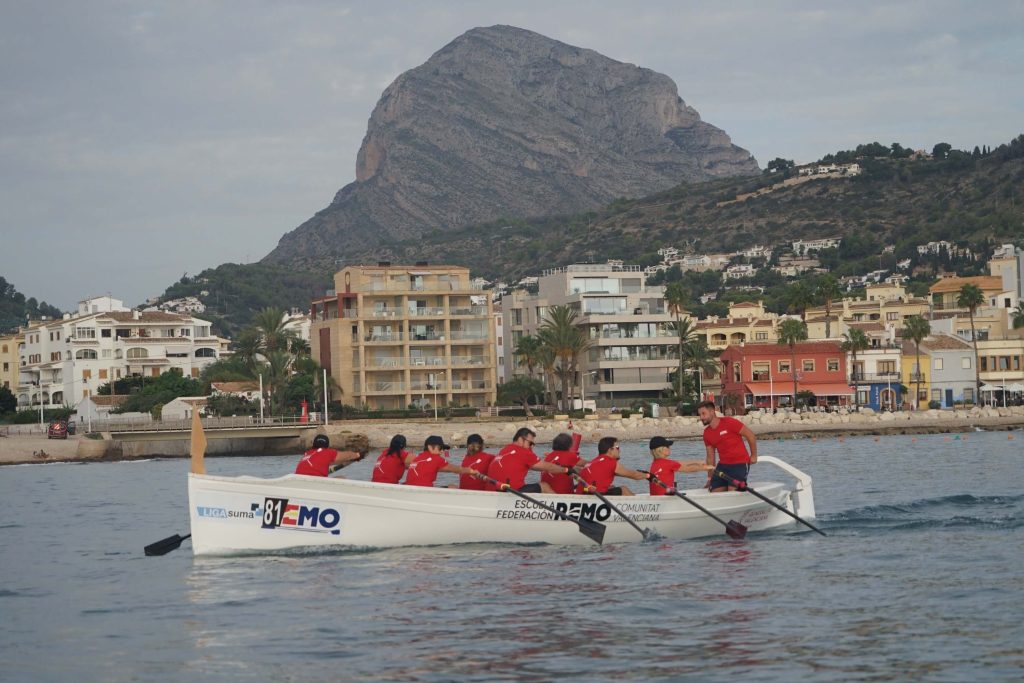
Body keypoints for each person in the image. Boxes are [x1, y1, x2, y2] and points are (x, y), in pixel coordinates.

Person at [485, 427, 572, 493]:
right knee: (544, 486)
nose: (531, 446)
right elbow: (548, 467)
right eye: (530, 443)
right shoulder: (523, 452)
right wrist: (565, 470)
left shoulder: (504, 450)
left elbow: (535, 467)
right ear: (520, 440)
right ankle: (560, 508)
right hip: (510, 492)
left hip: (494, 491)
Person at [698, 400, 758, 492]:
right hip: (723, 466)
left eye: (703, 413)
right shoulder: (707, 433)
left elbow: (750, 435)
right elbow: (710, 457)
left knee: (732, 490)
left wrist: (753, 456)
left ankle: (740, 487)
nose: (701, 417)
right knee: (714, 492)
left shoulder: (730, 422)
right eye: (699, 414)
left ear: (712, 412)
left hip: (739, 464)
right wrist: (710, 478)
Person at [575, 436, 649, 496]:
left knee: (612, 487)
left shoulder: (593, 462)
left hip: (582, 494)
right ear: (610, 450)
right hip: (593, 496)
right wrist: (648, 476)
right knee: (624, 489)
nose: (619, 450)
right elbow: (634, 475)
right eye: (617, 448)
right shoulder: (610, 462)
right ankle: (638, 508)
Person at [404, 435, 481, 487]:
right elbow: (455, 469)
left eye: (443, 449)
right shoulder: (436, 458)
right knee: (452, 487)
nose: (442, 451)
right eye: (440, 448)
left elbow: (443, 469)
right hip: (424, 491)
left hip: (410, 488)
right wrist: (471, 471)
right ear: (430, 447)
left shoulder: (417, 457)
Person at [646, 436, 713, 495]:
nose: (670, 448)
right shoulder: (668, 464)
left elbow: (682, 464)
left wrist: (698, 462)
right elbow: (688, 468)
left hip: (655, 497)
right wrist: (705, 468)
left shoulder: (654, 464)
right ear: (661, 450)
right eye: (668, 446)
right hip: (665, 498)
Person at [294, 434, 363, 477]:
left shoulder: (307, 454)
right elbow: (348, 455)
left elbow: (336, 462)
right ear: (327, 446)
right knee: (341, 478)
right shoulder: (326, 452)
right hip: (315, 484)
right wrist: (358, 455)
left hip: (299, 483)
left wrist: (350, 461)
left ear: (313, 444)